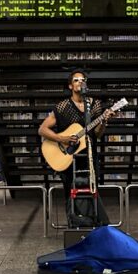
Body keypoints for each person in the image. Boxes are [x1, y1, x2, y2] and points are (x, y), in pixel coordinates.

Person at [38, 69, 114, 225]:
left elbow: (97, 134)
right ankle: (74, 223)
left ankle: (93, 223)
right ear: (70, 86)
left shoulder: (94, 105)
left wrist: (104, 121)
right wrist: (63, 138)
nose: (80, 82)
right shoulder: (62, 106)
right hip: (68, 157)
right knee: (71, 192)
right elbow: (42, 129)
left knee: (92, 189)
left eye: (82, 79)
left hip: (90, 156)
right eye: (76, 80)